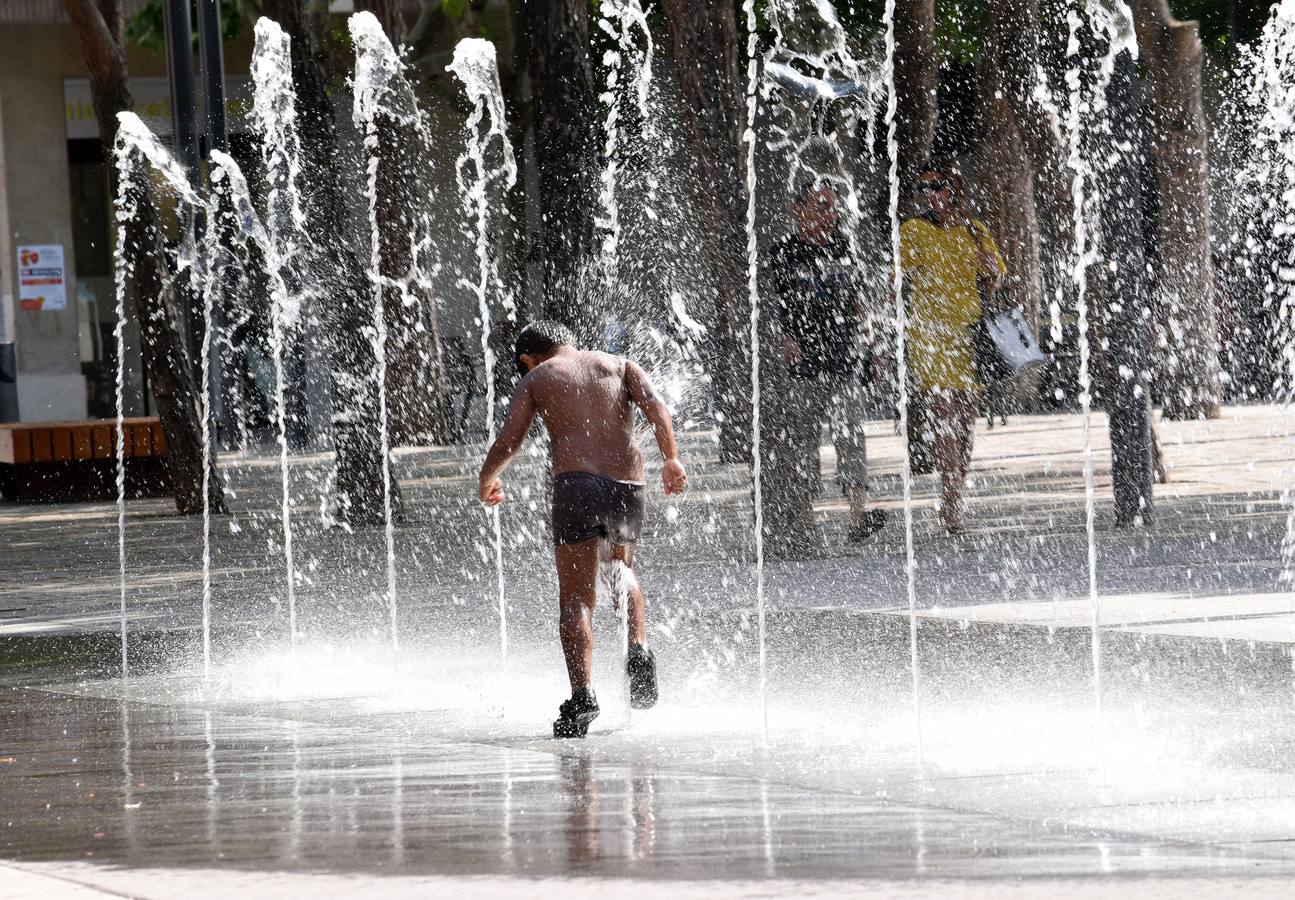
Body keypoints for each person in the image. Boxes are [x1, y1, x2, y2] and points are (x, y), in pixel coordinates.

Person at [478, 321, 688, 738]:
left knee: (576, 597)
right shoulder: (619, 365)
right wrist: (671, 458)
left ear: (528, 358)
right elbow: (655, 406)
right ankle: (639, 647)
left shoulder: (538, 377)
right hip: (628, 485)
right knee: (621, 570)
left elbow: (510, 439)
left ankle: (582, 697)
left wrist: (487, 479)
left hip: (576, 486)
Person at [765, 178, 886, 553]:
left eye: (832, 206)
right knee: (803, 443)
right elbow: (775, 305)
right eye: (821, 205)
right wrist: (783, 338)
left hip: (844, 358)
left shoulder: (844, 246)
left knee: (852, 436)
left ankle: (858, 516)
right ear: (798, 208)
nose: (830, 214)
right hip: (805, 365)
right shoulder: (783, 253)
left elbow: (858, 300)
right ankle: (805, 519)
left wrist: (874, 345)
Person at [899, 159, 1006, 533]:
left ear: (954, 187)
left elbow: (991, 284)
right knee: (943, 414)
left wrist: (989, 269)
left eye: (937, 185)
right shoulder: (913, 231)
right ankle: (950, 495)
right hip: (930, 336)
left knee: (965, 420)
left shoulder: (976, 232)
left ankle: (957, 486)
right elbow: (895, 278)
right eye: (924, 188)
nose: (930, 195)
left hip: (969, 335)